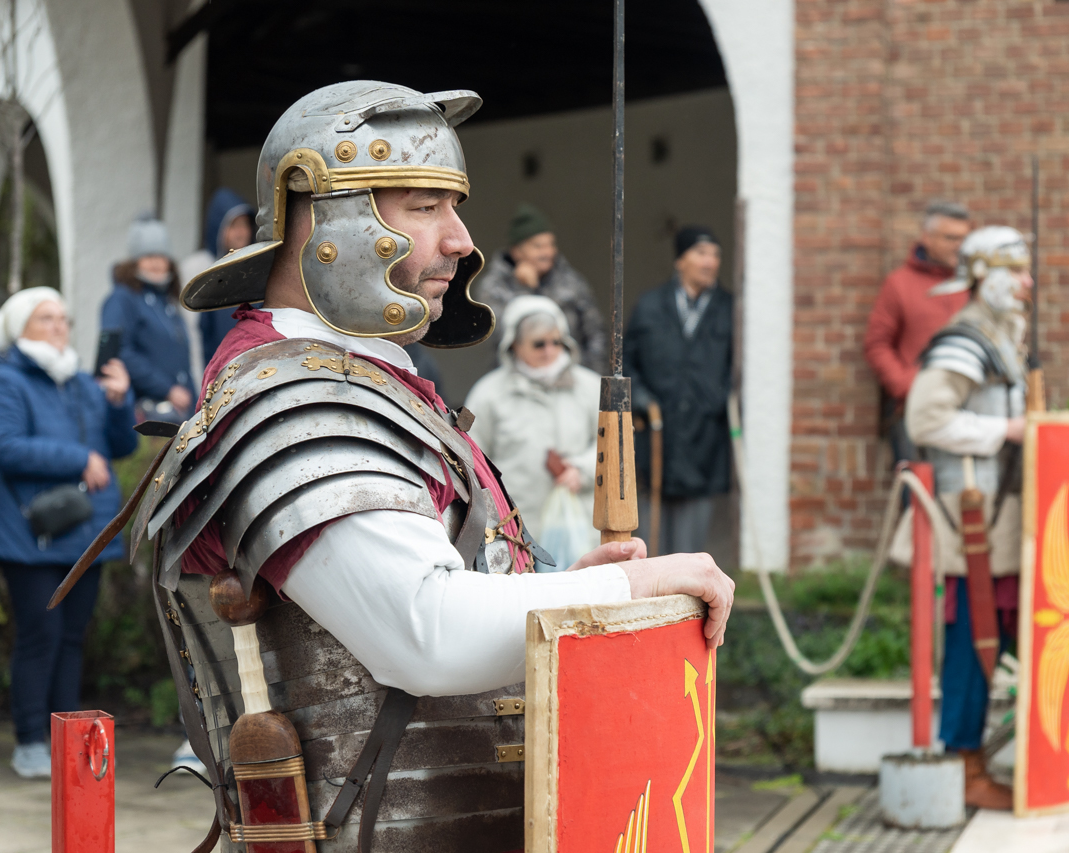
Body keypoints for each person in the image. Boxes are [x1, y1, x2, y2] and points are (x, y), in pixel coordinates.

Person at [108, 81, 732, 851]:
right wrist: (631, 587)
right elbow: (428, 632)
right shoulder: (297, 402)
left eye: (453, 206)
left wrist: (565, 586)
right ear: (320, 217)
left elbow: (428, 593)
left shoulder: (359, 382)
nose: (462, 239)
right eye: (424, 206)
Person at [904, 226, 1069, 810]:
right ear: (983, 276)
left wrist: (1063, 423)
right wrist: (1007, 429)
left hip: (1008, 519)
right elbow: (925, 421)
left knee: (1008, 631)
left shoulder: (1001, 339)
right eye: (1014, 270)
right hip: (974, 520)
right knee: (975, 635)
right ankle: (964, 764)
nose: (1027, 282)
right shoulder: (964, 341)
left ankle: (991, 755)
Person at [0, 287, 136, 779]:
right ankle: (30, 742)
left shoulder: (81, 382)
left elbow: (120, 447)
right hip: (31, 537)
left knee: (71, 639)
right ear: (20, 326)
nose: (59, 326)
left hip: (85, 534)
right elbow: (4, 446)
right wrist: (77, 458)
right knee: (40, 637)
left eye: (63, 318)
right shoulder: (7, 380)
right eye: (46, 318)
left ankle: (66, 742)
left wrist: (119, 401)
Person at [624, 225, 733, 556]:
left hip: (703, 441)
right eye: (701, 253)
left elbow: (739, 370)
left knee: (689, 551)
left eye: (715, 255)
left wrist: (718, 400)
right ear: (680, 260)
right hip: (655, 439)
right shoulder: (651, 305)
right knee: (648, 544)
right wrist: (641, 399)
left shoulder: (730, 309)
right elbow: (626, 362)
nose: (710, 262)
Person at [465, 294, 600, 549]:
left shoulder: (590, 387)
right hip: (515, 532)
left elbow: (614, 447)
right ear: (515, 344)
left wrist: (581, 470)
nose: (549, 350)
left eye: (556, 341)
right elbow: (471, 459)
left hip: (582, 529)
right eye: (539, 344)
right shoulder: (488, 394)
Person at [864, 200, 972, 466]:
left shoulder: (976, 285)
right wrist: (905, 385)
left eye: (964, 239)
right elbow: (877, 343)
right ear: (927, 237)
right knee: (918, 486)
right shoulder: (900, 283)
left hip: (969, 410)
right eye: (951, 238)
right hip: (915, 410)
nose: (960, 246)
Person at [474, 203, 608, 370]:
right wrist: (524, 289)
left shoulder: (571, 281)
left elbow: (595, 332)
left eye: (551, 245)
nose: (547, 252)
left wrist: (589, 376)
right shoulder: (494, 286)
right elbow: (499, 334)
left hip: (569, 375)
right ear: (516, 251)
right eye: (538, 246)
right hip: (514, 378)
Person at [100, 214, 194, 420]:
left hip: (180, 412)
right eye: (149, 256)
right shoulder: (122, 299)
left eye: (162, 256)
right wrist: (166, 389)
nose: (156, 263)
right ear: (135, 261)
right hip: (143, 413)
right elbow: (119, 352)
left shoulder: (168, 302)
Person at [180, 188, 257, 367]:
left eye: (244, 225)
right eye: (234, 225)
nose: (241, 232)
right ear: (218, 226)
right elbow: (192, 332)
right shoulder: (199, 268)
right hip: (215, 369)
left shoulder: (256, 270)